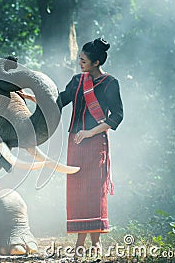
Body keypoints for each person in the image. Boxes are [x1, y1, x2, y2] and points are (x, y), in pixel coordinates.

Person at [18, 38, 123, 256]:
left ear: (96, 62)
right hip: (75, 143)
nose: (79, 63)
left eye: (83, 60)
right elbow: (60, 100)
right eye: (79, 59)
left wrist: (90, 132)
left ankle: (96, 243)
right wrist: (32, 97)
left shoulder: (110, 83)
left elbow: (117, 117)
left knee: (94, 192)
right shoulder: (77, 80)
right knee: (77, 191)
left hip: (95, 144)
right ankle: (79, 242)